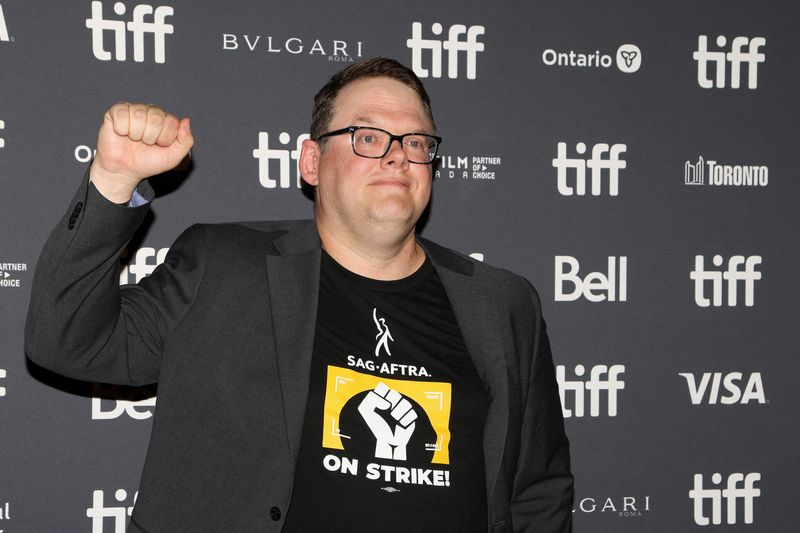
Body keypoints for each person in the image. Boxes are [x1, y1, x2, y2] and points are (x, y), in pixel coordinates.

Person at [25, 57, 572, 532]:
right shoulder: (225, 266)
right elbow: (67, 340)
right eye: (368, 137)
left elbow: (537, 489)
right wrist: (114, 179)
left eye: (417, 142)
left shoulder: (503, 303)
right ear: (312, 162)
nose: (398, 155)